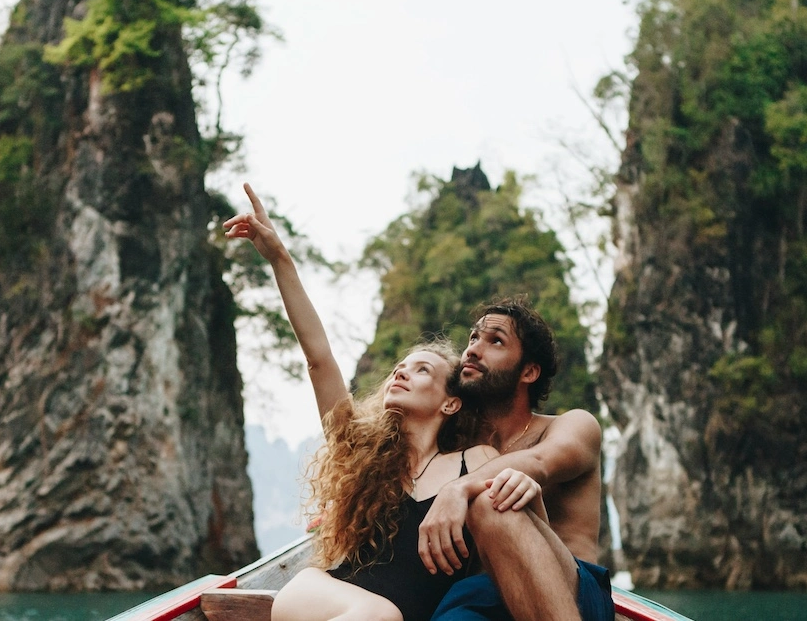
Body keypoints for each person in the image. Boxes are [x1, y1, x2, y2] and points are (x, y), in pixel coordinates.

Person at [223, 184, 536, 621]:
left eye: (422, 369)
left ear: (451, 404)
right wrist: (279, 258)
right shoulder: (360, 449)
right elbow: (318, 360)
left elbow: (514, 529)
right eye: (399, 368)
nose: (401, 372)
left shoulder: (476, 462)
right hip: (320, 594)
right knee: (382, 615)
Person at [419, 297, 613, 621]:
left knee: (494, 500)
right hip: (480, 597)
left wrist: (457, 489)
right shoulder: (457, 443)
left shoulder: (573, 425)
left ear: (529, 371)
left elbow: (540, 462)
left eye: (495, 341)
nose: (473, 350)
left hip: (571, 592)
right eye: (473, 338)